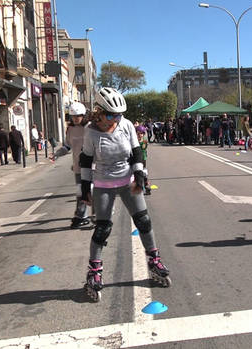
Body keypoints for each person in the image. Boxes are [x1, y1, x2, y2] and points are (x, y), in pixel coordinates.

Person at [80, 87, 171, 301]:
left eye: (119, 115)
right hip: (103, 182)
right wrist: (85, 187)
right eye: (111, 115)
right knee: (103, 228)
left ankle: (154, 259)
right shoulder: (90, 131)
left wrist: (139, 172)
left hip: (127, 179)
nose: (115, 119)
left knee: (144, 221)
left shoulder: (126, 125)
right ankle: (94, 271)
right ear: (99, 112)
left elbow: (136, 150)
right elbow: (85, 159)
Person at [53, 102, 92, 228]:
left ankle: (97, 215)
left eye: (78, 116)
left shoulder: (90, 128)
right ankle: (82, 216)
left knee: (93, 191)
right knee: (80, 192)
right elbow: (67, 146)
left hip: (93, 166)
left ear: (83, 116)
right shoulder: (70, 129)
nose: (75, 119)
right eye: (73, 117)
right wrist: (57, 154)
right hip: (78, 167)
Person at [135, 125, 152, 195]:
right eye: (138, 133)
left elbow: (142, 148)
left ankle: (146, 186)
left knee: (143, 173)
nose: (140, 135)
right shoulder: (133, 141)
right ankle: (136, 186)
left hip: (142, 159)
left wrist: (139, 141)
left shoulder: (144, 142)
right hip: (135, 160)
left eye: (141, 133)